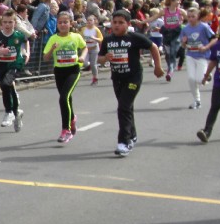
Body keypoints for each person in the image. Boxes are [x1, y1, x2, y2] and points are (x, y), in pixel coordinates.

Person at [100, 9, 165, 157]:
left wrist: (158, 66)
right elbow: (100, 58)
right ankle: (132, 134)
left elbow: (153, 47)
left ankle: (124, 142)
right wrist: (105, 58)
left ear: (128, 24)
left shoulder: (134, 38)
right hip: (117, 78)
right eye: (114, 22)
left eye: (121, 23)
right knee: (127, 108)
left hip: (133, 77)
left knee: (123, 107)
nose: (117, 25)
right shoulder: (108, 40)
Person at [43, 11, 87, 144]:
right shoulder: (53, 38)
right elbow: (45, 58)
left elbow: (85, 47)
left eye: (65, 22)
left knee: (64, 98)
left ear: (70, 24)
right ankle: (72, 118)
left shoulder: (76, 37)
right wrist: (52, 49)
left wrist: (82, 57)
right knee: (67, 99)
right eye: (60, 22)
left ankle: (66, 130)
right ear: (57, 24)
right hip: (59, 71)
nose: (63, 25)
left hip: (73, 70)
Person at [0, 9, 30, 132]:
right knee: (7, 87)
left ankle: (9, 112)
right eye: (5, 22)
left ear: (15, 23)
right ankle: (16, 112)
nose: (7, 25)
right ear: (1, 23)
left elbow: (27, 41)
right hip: (2, 66)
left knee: (6, 84)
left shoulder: (19, 35)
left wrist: (27, 54)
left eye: (10, 22)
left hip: (15, 64)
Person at [179, 7, 215, 110]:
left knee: (199, 80)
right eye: (189, 16)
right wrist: (184, 42)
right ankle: (197, 100)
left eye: (193, 16)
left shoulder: (204, 27)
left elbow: (214, 39)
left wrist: (206, 47)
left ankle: (207, 75)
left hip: (202, 56)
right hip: (190, 55)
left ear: (198, 16)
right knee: (191, 78)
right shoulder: (185, 29)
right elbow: (183, 45)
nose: (190, 19)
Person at [82, 14, 103, 85]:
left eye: (90, 20)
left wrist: (94, 38)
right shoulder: (84, 29)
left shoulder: (96, 29)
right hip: (86, 49)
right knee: (84, 63)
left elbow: (101, 39)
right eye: (88, 20)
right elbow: (80, 37)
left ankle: (95, 78)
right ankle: (89, 66)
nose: (89, 22)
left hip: (94, 48)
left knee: (93, 64)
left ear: (94, 21)